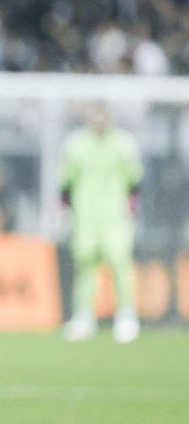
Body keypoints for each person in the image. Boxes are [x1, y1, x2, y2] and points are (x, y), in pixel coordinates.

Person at [60, 105, 144, 343]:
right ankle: (84, 317)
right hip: (85, 217)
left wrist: (132, 211)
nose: (98, 120)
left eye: (102, 115)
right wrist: (65, 212)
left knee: (120, 265)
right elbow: (65, 182)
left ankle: (126, 317)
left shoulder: (123, 144)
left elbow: (134, 182)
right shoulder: (76, 144)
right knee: (85, 266)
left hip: (115, 218)